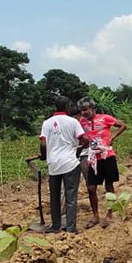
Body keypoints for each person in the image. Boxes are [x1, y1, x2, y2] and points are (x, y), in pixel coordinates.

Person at [40, 97, 89, 234]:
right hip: (70, 164)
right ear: (67, 106)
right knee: (71, 197)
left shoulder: (47, 123)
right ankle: (70, 228)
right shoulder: (73, 122)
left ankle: (55, 226)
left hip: (53, 165)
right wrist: (78, 150)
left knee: (54, 197)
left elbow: (43, 144)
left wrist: (44, 156)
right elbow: (85, 139)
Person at [77, 96, 128, 228]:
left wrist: (112, 136)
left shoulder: (105, 118)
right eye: (81, 110)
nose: (83, 112)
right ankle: (95, 216)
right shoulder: (82, 122)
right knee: (91, 187)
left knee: (109, 185)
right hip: (93, 158)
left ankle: (110, 213)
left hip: (107, 156)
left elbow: (123, 125)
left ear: (92, 108)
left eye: (85, 109)